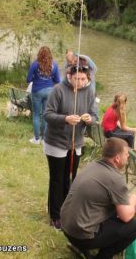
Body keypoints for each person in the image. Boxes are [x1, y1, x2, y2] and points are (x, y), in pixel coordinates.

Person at [61, 138, 136, 259]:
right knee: (135, 226)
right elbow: (126, 216)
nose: (128, 157)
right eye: (126, 154)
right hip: (81, 236)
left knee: (116, 209)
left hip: (66, 227)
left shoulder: (92, 165)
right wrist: (133, 201)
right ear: (117, 158)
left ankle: (81, 248)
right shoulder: (115, 179)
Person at [43, 59, 97, 229]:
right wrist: (65, 119)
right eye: (76, 78)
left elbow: (95, 116)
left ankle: (66, 210)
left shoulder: (89, 91)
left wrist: (90, 119)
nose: (80, 82)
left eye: (83, 79)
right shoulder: (58, 90)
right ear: (69, 76)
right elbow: (48, 114)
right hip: (56, 142)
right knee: (58, 179)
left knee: (71, 179)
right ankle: (55, 215)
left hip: (76, 143)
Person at [26, 46, 60, 144]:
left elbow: (28, 79)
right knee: (46, 115)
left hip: (37, 91)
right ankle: (45, 139)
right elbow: (57, 80)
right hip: (50, 91)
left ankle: (36, 139)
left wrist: (36, 78)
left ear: (39, 54)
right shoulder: (55, 65)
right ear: (50, 54)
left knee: (36, 115)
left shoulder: (35, 64)